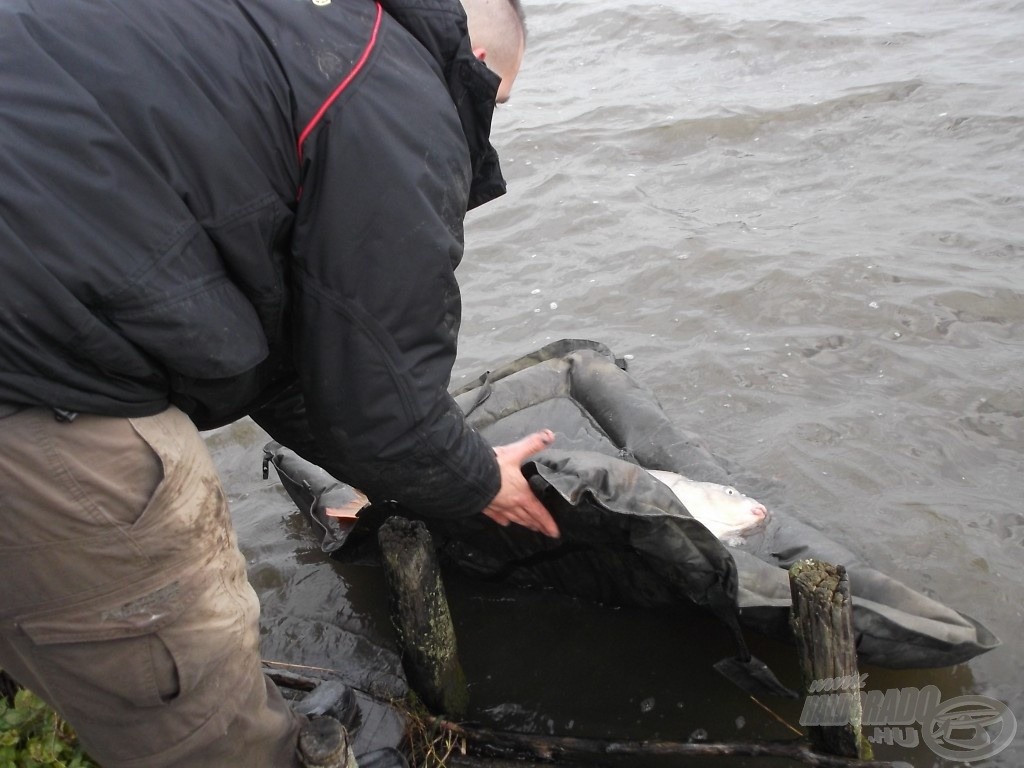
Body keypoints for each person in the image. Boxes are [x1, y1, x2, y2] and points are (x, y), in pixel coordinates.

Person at [0, 0, 558, 764]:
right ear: (480, 66)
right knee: (203, 721)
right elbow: (381, 400)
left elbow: (293, 365)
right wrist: (472, 479)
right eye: (495, 103)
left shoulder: (269, 36)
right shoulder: (395, 88)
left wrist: (387, 469)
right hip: (35, 365)